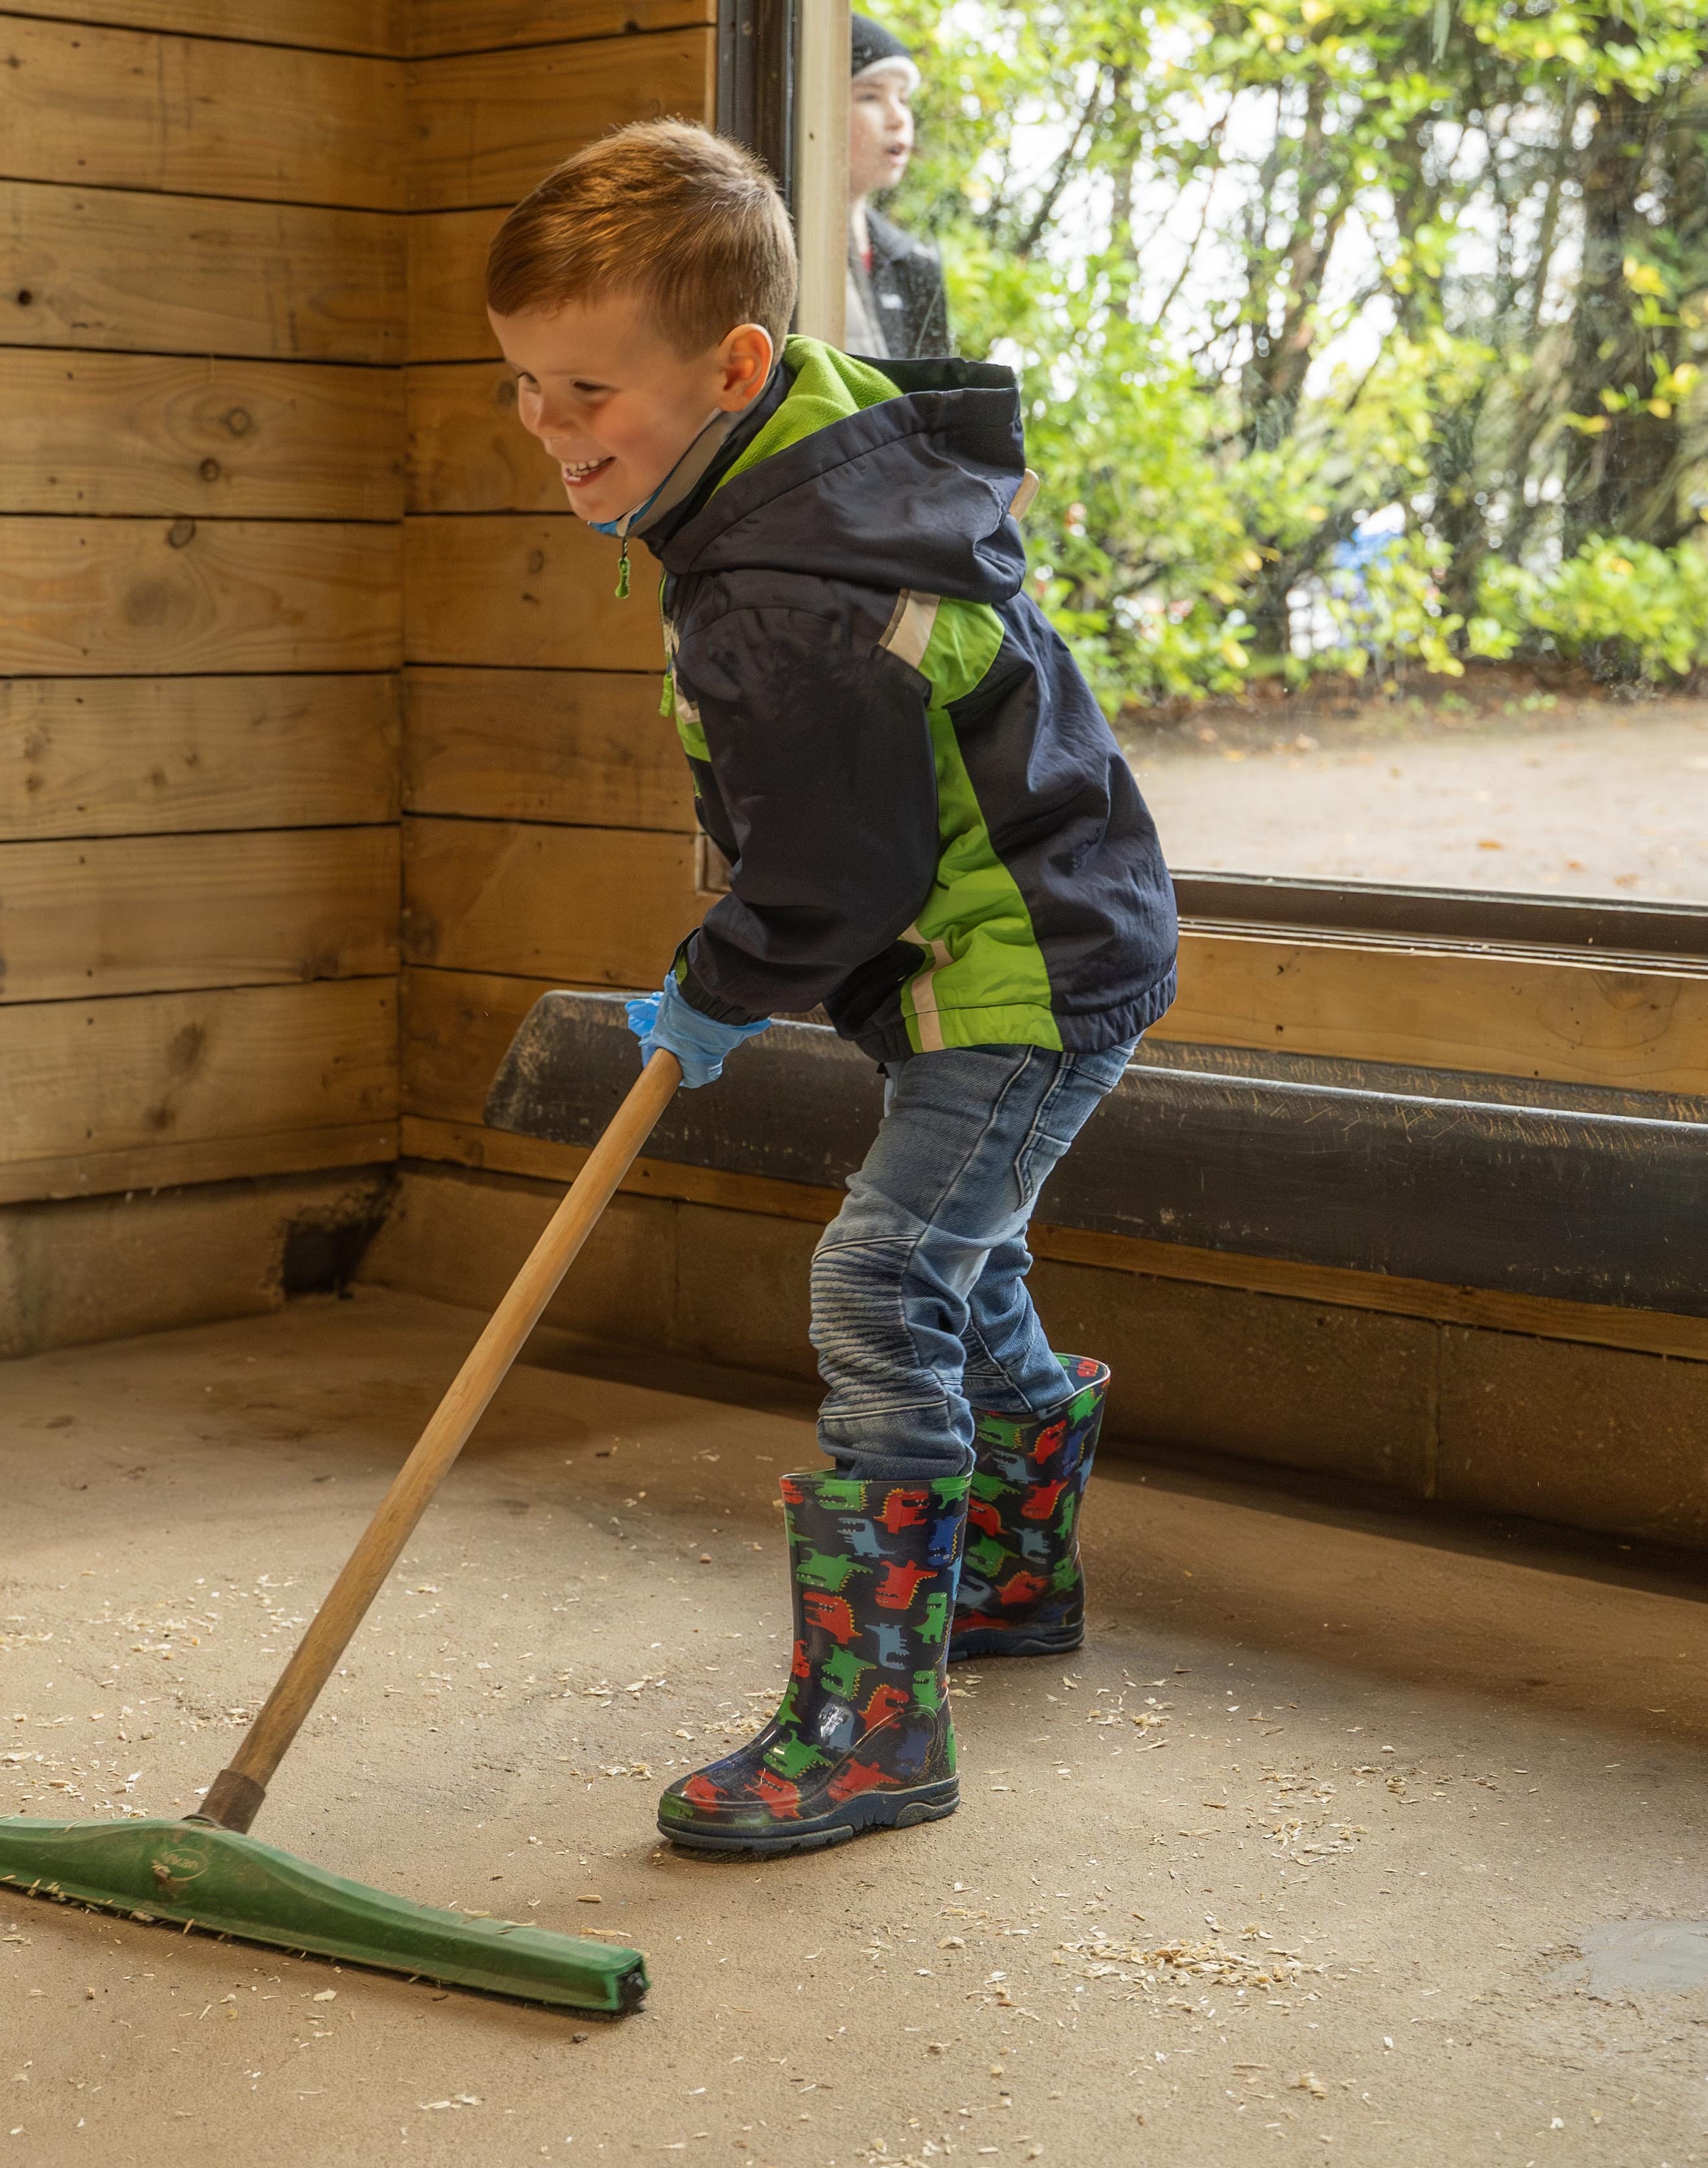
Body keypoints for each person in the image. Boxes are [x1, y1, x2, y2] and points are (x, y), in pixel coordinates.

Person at [484, 122, 1177, 1856]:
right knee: (958, 1258)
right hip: (1031, 929)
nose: (548, 427)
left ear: (733, 366)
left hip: (1016, 965)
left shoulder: (782, 591)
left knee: (881, 1277)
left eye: (587, 391)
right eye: (525, 386)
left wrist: (716, 985)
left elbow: (834, 872)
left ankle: (874, 1726)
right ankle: (1007, 1578)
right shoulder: (805, 466)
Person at [847, 13, 949, 358]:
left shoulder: (915, 263)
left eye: (903, 99)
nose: (898, 118)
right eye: (870, 97)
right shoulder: (776, 240)